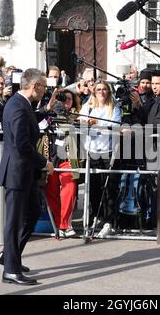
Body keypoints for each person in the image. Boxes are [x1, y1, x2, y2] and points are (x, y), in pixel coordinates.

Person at [0, 68, 54, 285]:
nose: (45, 91)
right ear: (35, 86)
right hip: (17, 172)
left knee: (32, 213)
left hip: (24, 172)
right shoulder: (18, 107)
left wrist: (45, 111)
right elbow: (22, 145)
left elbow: (29, 122)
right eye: (44, 87)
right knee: (14, 222)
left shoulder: (23, 104)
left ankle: (9, 256)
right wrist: (45, 162)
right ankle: (10, 270)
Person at [79, 80, 122, 238]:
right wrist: (89, 123)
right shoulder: (88, 106)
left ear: (108, 92)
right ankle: (96, 216)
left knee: (109, 188)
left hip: (109, 151)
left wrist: (96, 123)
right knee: (94, 187)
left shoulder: (114, 108)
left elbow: (115, 125)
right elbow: (82, 122)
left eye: (104, 89)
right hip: (92, 151)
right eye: (98, 90)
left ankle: (109, 221)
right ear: (94, 92)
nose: (101, 92)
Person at [45, 89, 82, 238]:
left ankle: (65, 224)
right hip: (50, 158)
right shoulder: (48, 114)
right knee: (51, 192)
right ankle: (62, 223)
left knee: (70, 188)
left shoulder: (76, 116)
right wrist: (51, 107)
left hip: (68, 158)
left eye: (69, 99)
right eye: (63, 98)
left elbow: (71, 127)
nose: (66, 101)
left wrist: (63, 114)